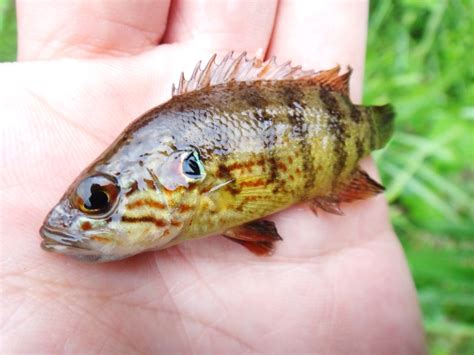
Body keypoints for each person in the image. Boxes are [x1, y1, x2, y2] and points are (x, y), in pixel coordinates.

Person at [0, 1, 425, 353]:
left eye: (98, 199)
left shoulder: (196, 189)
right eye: (95, 198)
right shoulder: (186, 190)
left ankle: (383, 123)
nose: (81, 221)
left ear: (175, 174)